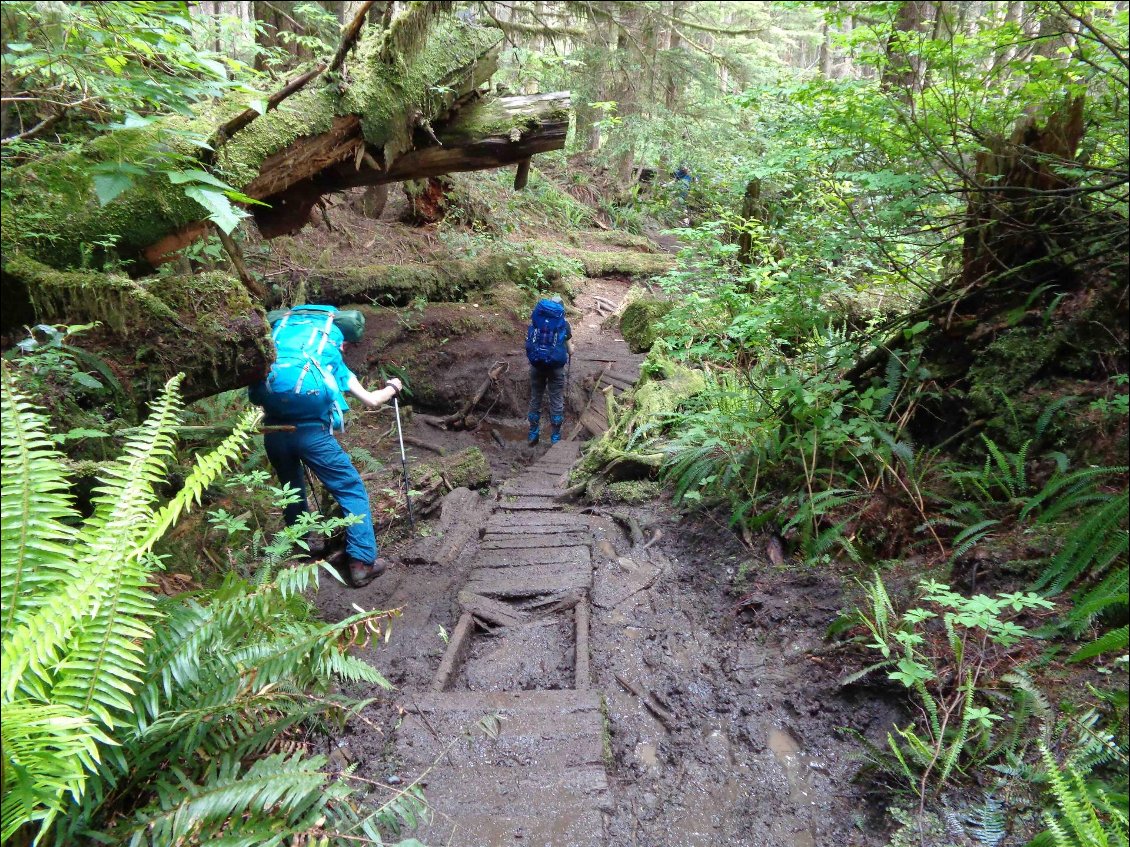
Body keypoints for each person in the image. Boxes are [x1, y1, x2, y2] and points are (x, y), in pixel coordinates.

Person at [248, 305, 403, 588]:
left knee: (291, 490)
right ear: (338, 341)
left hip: (274, 432)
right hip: (313, 435)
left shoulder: (278, 352)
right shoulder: (330, 358)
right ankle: (361, 563)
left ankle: (299, 551)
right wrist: (393, 388)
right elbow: (371, 400)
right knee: (350, 488)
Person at [525, 294, 573, 446]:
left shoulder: (536, 322)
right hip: (556, 368)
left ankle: (533, 434)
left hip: (537, 365)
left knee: (535, 398)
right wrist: (571, 348)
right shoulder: (564, 325)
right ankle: (555, 437)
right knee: (556, 400)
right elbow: (570, 350)